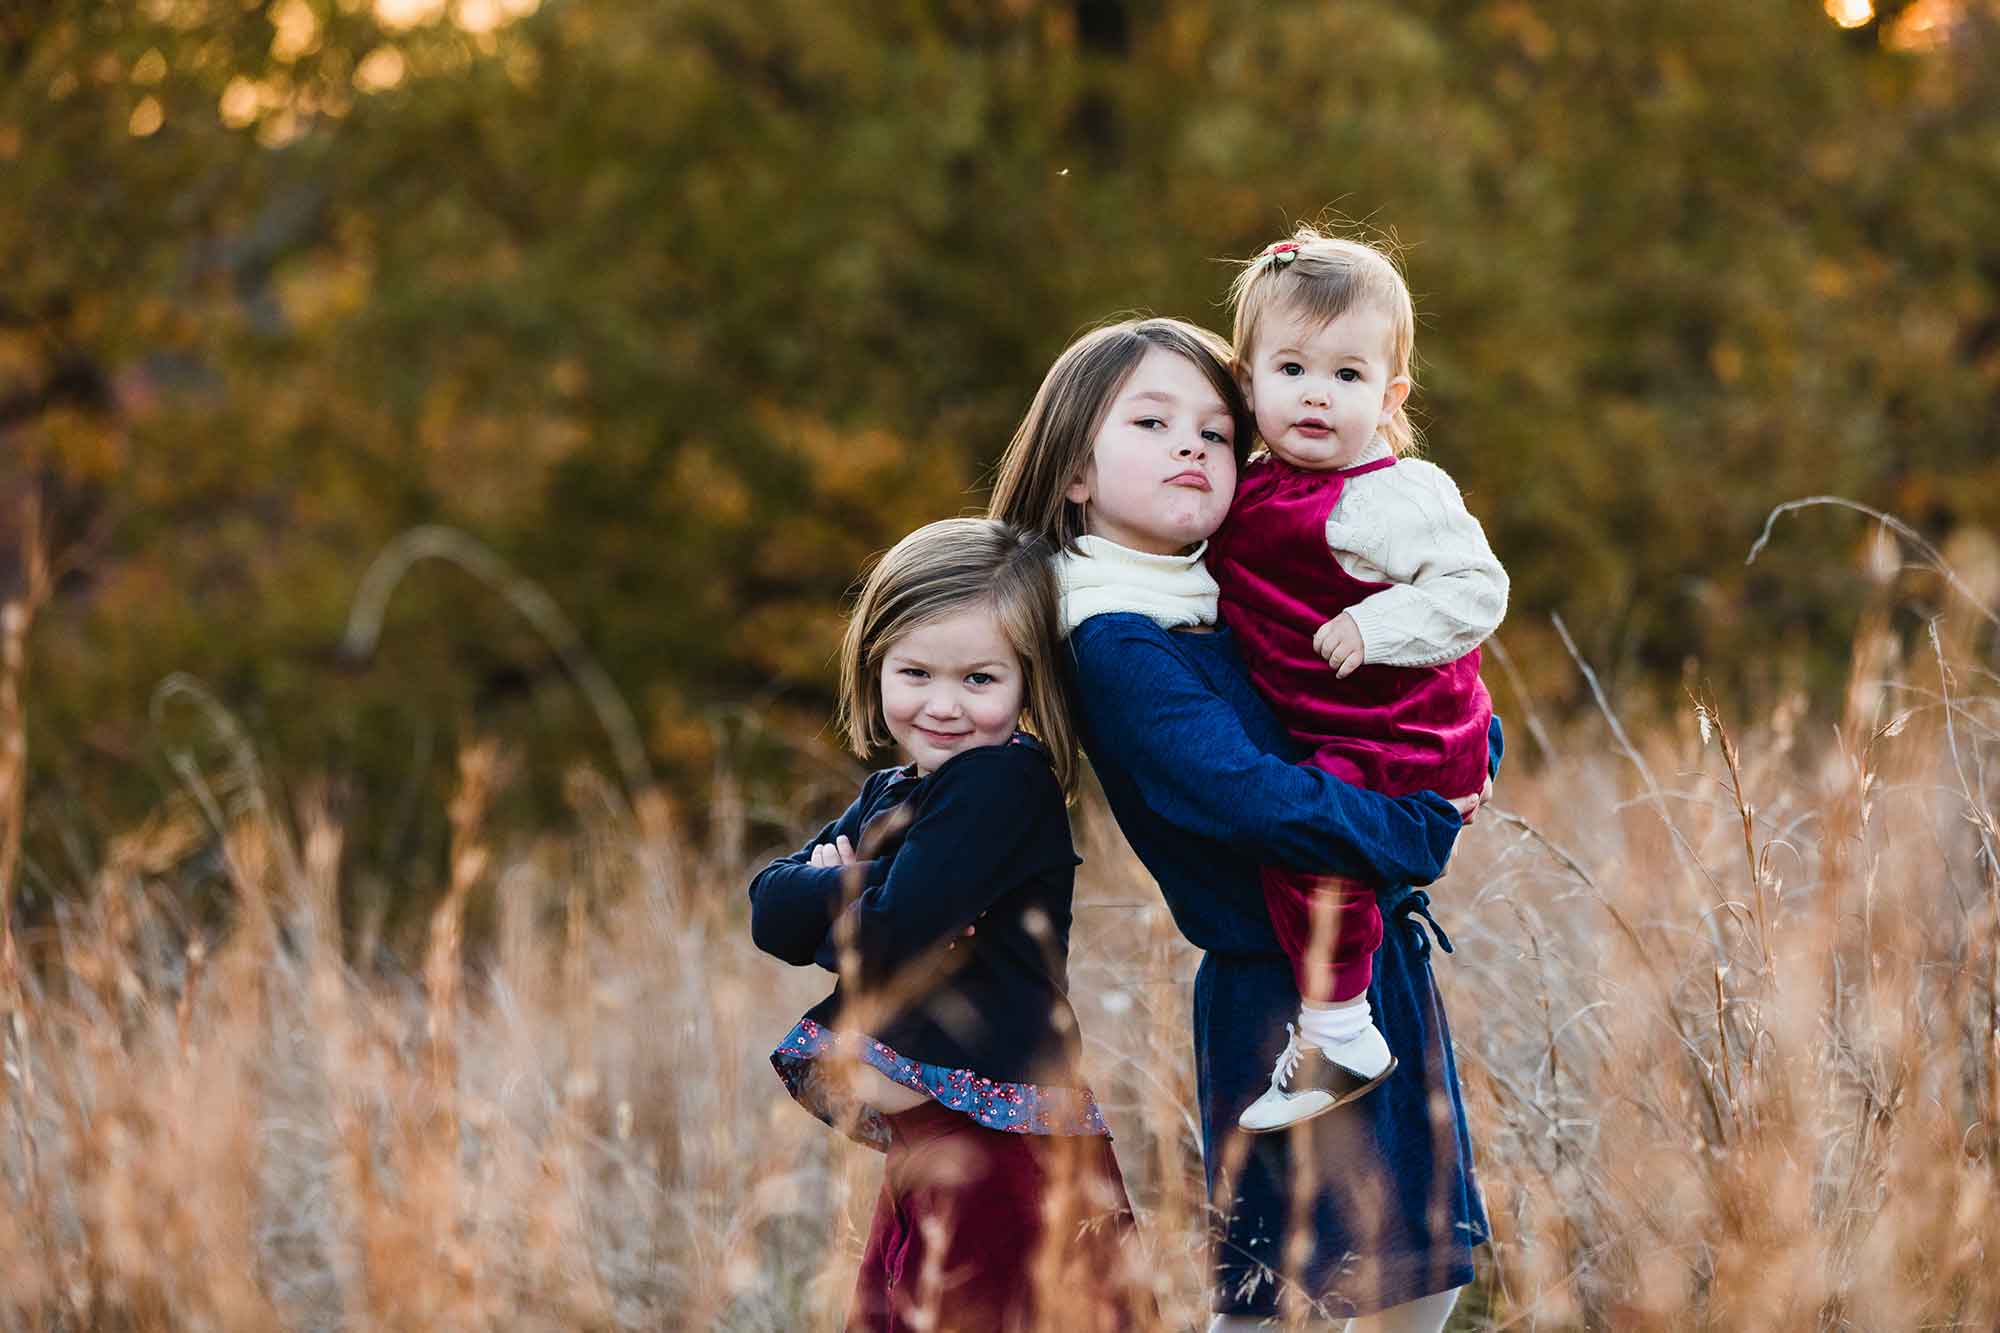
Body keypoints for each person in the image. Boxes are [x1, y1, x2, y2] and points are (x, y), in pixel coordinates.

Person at [988, 317, 1497, 1331]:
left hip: (1369, 964)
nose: (1191, 445)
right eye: (1150, 422)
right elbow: (1251, 798)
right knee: (1278, 1300)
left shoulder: (1229, 592)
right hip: (1276, 993)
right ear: (1074, 473)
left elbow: (1403, 692)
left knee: (1421, 1268)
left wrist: (1472, 751)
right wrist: (1420, 827)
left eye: (1215, 432)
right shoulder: (1117, 639)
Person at [748, 517, 1147, 1333]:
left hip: (1007, 1163)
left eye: (979, 679)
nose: (943, 704)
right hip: (929, 1157)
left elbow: (888, 940)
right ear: (876, 665)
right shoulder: (897, 790)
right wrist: (883, 886)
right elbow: (766, 907)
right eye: (916, 671)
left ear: (1027, 682)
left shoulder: (1002, 783)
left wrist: (849, 889)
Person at [1206, 227, 1509, 1135]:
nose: (1315, 394)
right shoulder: (1251, 487)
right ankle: (1334, 1020)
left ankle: (1341, 1030)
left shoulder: (1391, 495)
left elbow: (1476, 589)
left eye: (1347, 376)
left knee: (1313, 839)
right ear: (1248, 380)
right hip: (1347, 720)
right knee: (1303, 829)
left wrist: (1377, 625)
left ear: (1389, 398)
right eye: (1291, 368)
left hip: (1404, 726)